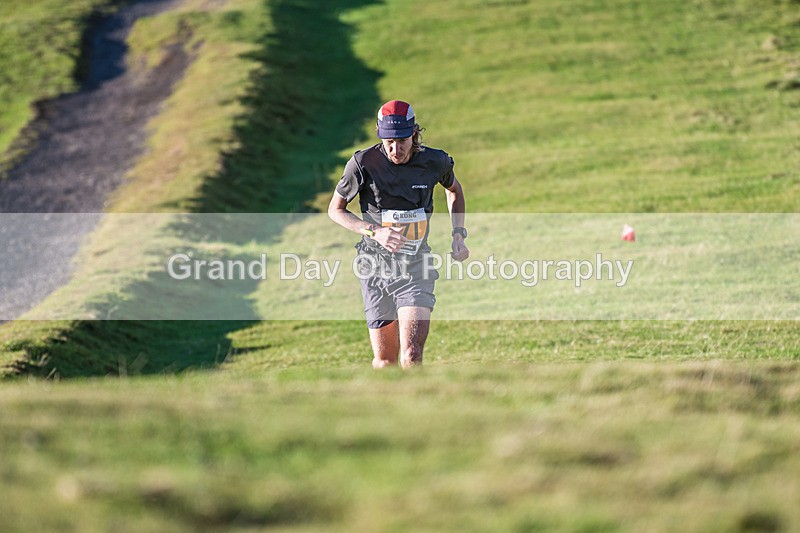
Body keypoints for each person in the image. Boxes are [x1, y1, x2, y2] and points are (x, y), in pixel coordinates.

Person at [328, 100, 469, 369]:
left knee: (412, 355)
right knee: (385, 361)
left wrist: (458, 234)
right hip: (374, 267)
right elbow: (335, 210)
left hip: (416, 267)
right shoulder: (363, 163)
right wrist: (374, 231)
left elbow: (454, 190)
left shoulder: (434, 161)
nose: (395, 149)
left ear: (414, 133)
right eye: (388, 141)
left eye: (402, 140)